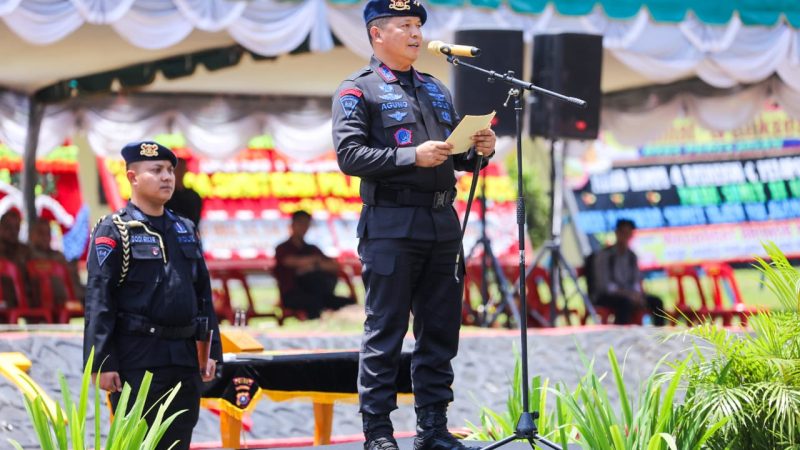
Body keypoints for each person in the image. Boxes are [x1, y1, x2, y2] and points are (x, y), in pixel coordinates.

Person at [331, 1, 497, 449]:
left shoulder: (435, 89)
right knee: (385, 331)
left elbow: (456, 155)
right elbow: (350, 156)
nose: (415, 34)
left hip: (442, 223)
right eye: (404, 25)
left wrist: (479, 147)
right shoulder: (357, 90)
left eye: (418, 25)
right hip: (391, 223)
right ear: (376, 34)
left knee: (440, 330)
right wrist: (411, 155)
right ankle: (379, 434)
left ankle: (433, 429)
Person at [83, 141, 222, 450]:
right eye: (156, 170)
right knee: (140, 443)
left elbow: (203, 297)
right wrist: (102, 363)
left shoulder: (185, 228)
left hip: (184, 359)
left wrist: (211, 353)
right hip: (138, 358)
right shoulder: (114, 230)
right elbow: (99, 299)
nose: (167, 177)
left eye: (170, 170)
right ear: (132, 177)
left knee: (179, 441)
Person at [273, 210, 354, 319]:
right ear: (292, 225)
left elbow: (334, 266)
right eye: (300, 223)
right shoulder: (283, 248)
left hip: (319, 293)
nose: (303, 227)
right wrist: (315, 261)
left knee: (347, 303)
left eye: (306, 224)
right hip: (293, 295)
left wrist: (314, 266)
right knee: (314, 303)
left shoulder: (312, 249)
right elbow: (290, 261)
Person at [591, 218, 665, 326]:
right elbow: (605, 286)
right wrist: (627, 294)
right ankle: (621, 335)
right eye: (623, 232)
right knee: (625, 303)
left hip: (629, 295)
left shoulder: (632, 256)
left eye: (628, 233)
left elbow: (635, 282)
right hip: (606, 296)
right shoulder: (604, 256)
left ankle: (659, 337)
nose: (625, 236)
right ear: (617, 233)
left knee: (656, 302)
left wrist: (637, 295)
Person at [28, 217, 86, 302]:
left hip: (73, 297)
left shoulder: (58, 255)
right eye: (40, 233)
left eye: (48, 233)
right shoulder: (27, 255)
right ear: (31, 235)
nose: (45, 237)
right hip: (42, 301)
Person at [0, 209, 32, 307]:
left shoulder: (25, 251)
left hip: (22, 297)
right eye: (8, 227)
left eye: (16, 228)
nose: (13, 232)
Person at [165, 157, 203, 229]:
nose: (179, 171)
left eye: (181, 168)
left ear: (186, 170)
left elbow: (195, 221)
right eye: (177, 168)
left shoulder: (193, 196)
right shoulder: (164, 194)